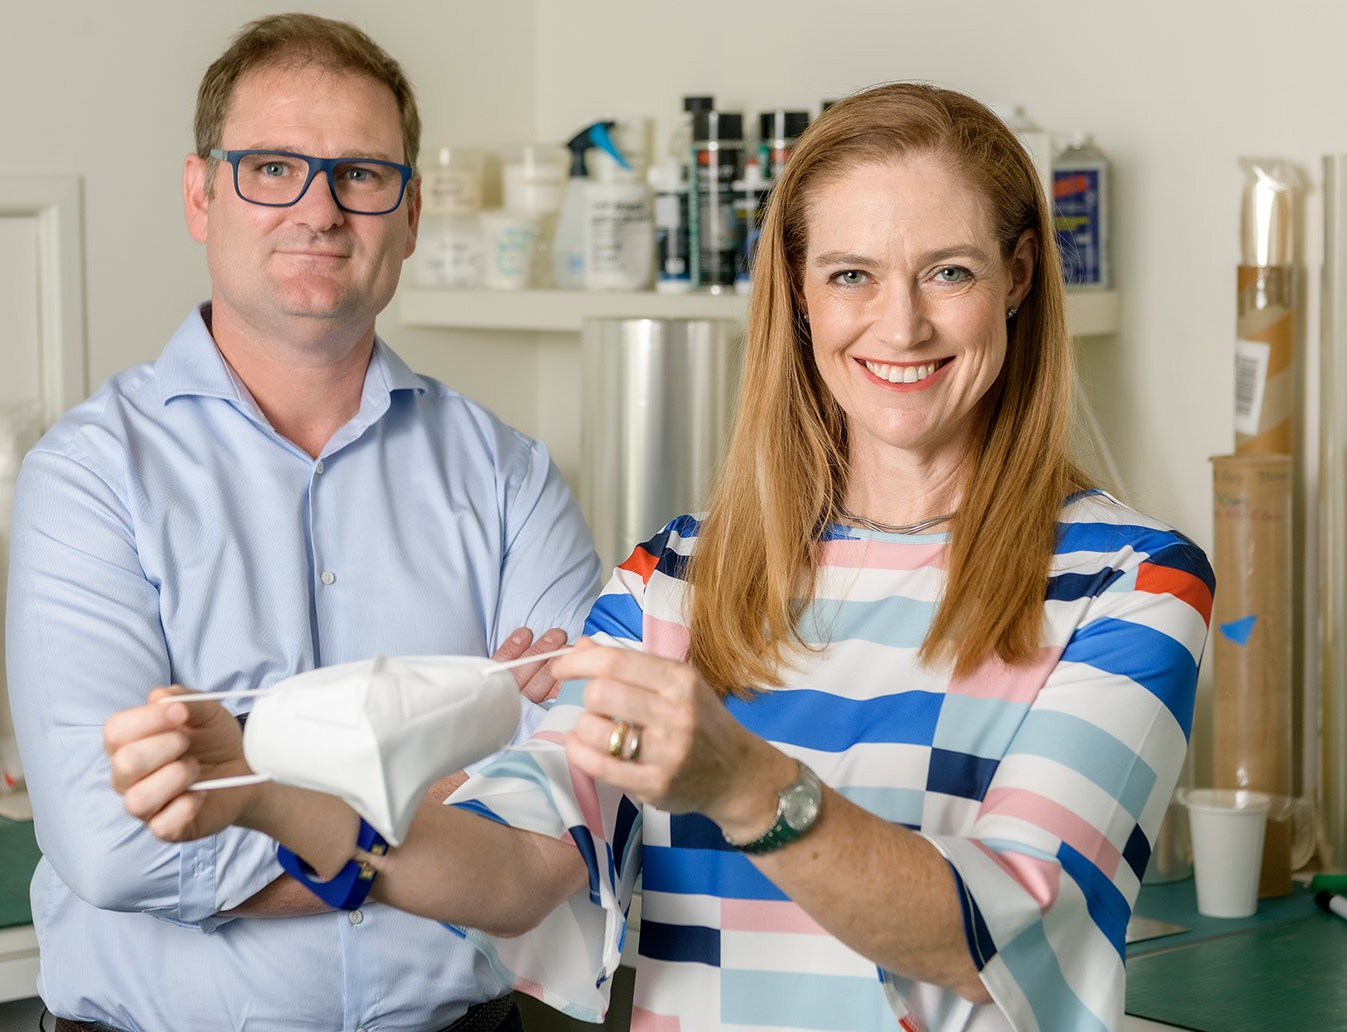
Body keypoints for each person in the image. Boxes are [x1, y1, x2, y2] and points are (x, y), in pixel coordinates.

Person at [105, 83, 1214, 1032]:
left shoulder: (1132, 586)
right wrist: (260, 793)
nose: (902, 326)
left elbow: (988, 933)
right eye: (851, 276)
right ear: (795, 290)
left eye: (950, 273)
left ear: (1020, 276)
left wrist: (744, 784)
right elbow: (512, 870)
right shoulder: (673, 580)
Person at [7, 13, 600, 1032]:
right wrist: (449, 792)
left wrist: (252, 785)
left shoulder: (512, 479)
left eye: (363, 174)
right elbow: (115, 844)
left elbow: (567, 829)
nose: (320, 210)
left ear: (410, 215)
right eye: (272, 167)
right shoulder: (89, 478)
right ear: (202, 195)